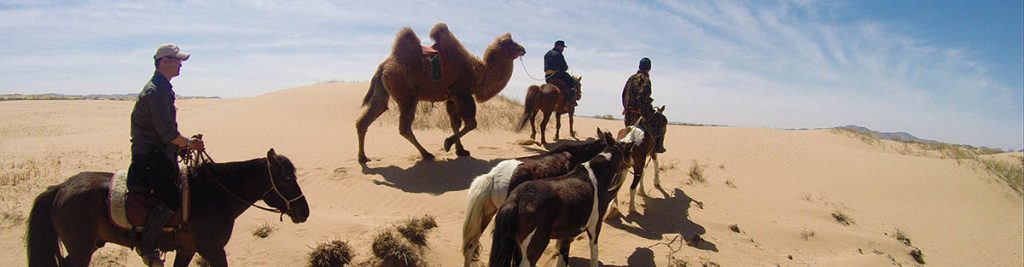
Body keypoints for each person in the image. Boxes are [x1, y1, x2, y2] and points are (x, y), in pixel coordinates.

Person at [126, 43, 205, 267]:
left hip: (160, 153)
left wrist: (181, 146)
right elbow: (167, 132)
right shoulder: (156, 92)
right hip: (150, 157)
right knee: (171, 198)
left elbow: (165, 133)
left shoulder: (164, 89)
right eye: (177, 60)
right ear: (163, 62)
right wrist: (188, 143)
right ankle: (147, 246)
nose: (181, 64)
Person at [621, 57, 666, 153]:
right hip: (640, 114)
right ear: (649, 68)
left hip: (628, 116)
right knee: (662, 120)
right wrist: (647, 108)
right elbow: (643, 98)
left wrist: (626, 107)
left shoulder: (631, 78)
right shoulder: (645, 79)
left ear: (639, 66)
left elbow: (624, 94)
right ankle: (658, 147)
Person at [544, 40, 579, 107]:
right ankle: (571, 101)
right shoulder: (559, 54)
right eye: (562, 47)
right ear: (558, 46)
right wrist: (566, 67)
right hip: (557, 76)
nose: (563, 49)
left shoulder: (547, 54)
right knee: (573, 83)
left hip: (547, 77)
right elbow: (564, 67)